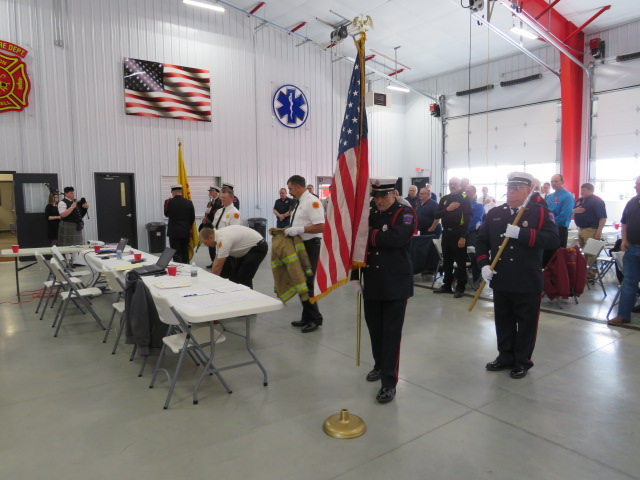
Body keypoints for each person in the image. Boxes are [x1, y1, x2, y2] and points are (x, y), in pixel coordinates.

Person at [477, 172, 559, 379]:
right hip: (501, 277)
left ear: (529, 190)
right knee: (503, 320)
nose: (511, 192)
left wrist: (521, 234)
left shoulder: (540, 213)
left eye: (517, 188)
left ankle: (522, 361)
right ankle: (505, 356)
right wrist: (484, 265)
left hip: (527, 279)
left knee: (526, 324)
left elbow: (552, 240)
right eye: (509, 188)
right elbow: (481, 241)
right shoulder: (495, 213)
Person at [351, 177, 416, 404]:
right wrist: (355, 276)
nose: (379, 200)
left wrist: (367, 235)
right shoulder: (371, 213)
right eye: (376, 196)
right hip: (372, 282)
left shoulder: (405, 213)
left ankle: (389, 382)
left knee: (391, 335)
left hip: (394, 284)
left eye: (384, 195)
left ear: (394, 194)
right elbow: (358, 248)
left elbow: (395, 238)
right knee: (375, 330)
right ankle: (379, 365)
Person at [285, 174, 324, 333]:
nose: (289, 192)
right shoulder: (300, 202)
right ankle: (307, 316)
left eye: (290, 189)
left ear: (298, 187)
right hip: (301, 246)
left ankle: (315, 319)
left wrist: (300, 229)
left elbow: (321, 226)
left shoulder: (312, 202)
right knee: (301, 282)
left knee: (306, 283)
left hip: (310, 246)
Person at [608, 177, 640, 326]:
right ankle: (623, 315)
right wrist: (624, 240)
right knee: (628, 282)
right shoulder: (632, 202)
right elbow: (624, 222)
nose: (635, 187)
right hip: (632, 248)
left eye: (638, 184)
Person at [433, 177, 471, 298]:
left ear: (459, 185)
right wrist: (448, 209)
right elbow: (436, 214)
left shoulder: (464, 198)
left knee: (460, 262)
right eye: (450, 184)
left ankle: (460, 288)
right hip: (446, 233)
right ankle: (447, 285)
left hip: (459, 233)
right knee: (447, 261)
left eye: (454, 184)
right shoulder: (445, 198)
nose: (452, 186)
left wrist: (463, 237)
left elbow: (467, 219)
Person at [199, 226, 267, 289]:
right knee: (233, 277)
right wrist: (211, 278)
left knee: (243, 276)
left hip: (257, 247)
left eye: (205, 243)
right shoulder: (218, 238)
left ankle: (248, 296)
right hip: (247, 249)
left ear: (211, 238)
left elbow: (218, 266)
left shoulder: (224, 239)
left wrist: (211, 284)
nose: (206, 245)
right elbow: (216, 260)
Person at [211, 187, 241, 277]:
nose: (222, 200)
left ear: (231, 198)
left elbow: (234, 232)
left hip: (228, 248)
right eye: (221, 197)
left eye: (225, 198)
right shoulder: (219, 211)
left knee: (227, 273)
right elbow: (214, 226)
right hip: (218, 244)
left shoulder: (235, 213)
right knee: (219, 270)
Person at [164, 184, 195, 264]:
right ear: (181, 192)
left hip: (173, 232)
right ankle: (186, 266)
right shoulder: (189, 202)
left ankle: (177, 267)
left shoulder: (168, 202)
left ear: (173, 192)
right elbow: (192, 218)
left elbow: (166, 214)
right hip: (185, 232)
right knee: (185, 251)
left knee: (175, 252)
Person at [573, 182, 607, 256]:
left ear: (591, 190)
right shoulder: (579, 201)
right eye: (581, 190)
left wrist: (599, 232)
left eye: (584, 190)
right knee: (582, 253)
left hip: (591, 230)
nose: (582, 192)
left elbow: (603, 217)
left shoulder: (597, 201)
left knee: (590, 254)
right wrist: (575, 211)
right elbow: (572, 212)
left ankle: (589, 264)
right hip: (580, 229)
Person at [546, 174, 574, 249]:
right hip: (547, 229)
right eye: (552, 181)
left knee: (558, 253)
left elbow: (565, 216)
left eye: (556, 181)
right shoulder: (549, 197)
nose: (553, 183)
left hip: (559, 229)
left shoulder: (567, 196)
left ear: (562, 182)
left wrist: (551, 225)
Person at [466, 185, 484, 286]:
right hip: (463, 233)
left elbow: (476, 221)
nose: (466, 194)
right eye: (465, 192)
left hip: (473, 233)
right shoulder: (464, 204)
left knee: (473, 256)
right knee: (463, 256)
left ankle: (477, 279)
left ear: (474, 192)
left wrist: (464, 229)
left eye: (468, 192)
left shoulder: (478, 205)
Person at [202, 185, 222, 268]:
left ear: (216, 192)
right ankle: (213, 261)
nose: (209, 193)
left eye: (211, 192)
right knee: (210, 245)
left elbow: (217, 214)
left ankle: (217, 262)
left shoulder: (219, 201)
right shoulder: (210, 202)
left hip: (215, 226)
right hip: (209, 226)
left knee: (215, 245)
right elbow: (207, 214)